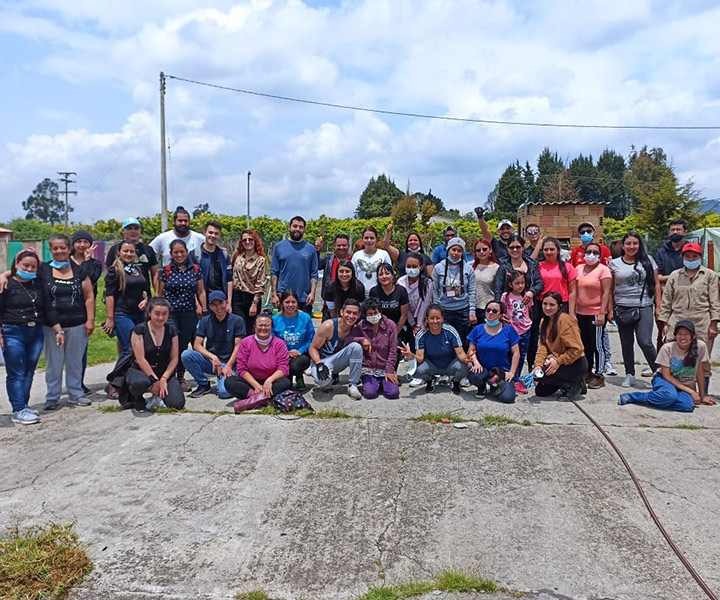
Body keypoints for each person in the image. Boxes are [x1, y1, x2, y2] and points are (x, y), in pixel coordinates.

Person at [40, 234, 95, 410]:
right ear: (51, 250)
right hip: (52, 326)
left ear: (69, 248)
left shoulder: (79, 270)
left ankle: (76, 393)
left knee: (75, 361)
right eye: (55, 248)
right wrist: (4, 275)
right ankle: (52, 396)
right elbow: (19, 270)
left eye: (62, 247)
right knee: (54, 363)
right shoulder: (43, 270)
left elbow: (88, 296)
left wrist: (90, 320)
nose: (59, 251)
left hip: (78, 323)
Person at [657, 242, 719, 394]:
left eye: (695, 256)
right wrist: (664, 323)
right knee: (674, 356)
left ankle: (702, 392)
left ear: (700, 257)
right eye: (688, 256)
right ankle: (674, 390)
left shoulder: (710, 276)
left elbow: (715, 301)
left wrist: (714, 324)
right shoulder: (674, 276)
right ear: (683, 257)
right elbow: (667, 301)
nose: (691, 259)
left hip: (702, 321)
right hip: (677, 321)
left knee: (703, 358)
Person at [620, 321, 716, 412]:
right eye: (679, 334)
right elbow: (667, 376)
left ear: (693, 336)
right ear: (675, 336)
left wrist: (702, 396)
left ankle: (659, 399)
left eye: (686, 334)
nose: (683, 337)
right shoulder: (667, 348)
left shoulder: (701, 346)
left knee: (688, 406)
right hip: (664, 379)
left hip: (685, 384)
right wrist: (691, 392)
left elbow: (700, 372)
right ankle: (635, 397)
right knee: (670, 396)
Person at [0, 249, 46, 425]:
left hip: (35, 331)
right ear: (16, 264)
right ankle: (18, 410)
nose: (29, 269)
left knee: (29, 371)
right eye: (25, 265)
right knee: (16, 372)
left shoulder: (37, 284)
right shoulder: (6, 284)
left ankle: (24, 405)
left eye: (33, 266)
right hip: (13, 331)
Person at [610, 232, 660, 388]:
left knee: (645, 341)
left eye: (635, 243)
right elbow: (610, 288)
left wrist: (658, 305)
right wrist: (609, 309)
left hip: (644, 305)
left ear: (640, 245)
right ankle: (630, 374)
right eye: (628, 244)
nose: (631, 247)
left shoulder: (648, 260)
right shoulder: (614, 263)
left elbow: (657, 284)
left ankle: (659, 373)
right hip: (622, 307)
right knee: (626, 342)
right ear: (623, 246)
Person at [157, 239, 207, 389]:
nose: (179, 255)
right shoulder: (166, 271)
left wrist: (204, 309)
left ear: (186, 252)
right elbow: (159, 294)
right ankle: (169, 376)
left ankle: (180, 377)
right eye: (176, 252)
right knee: (173, 344)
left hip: (189, 313)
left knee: (183, 345)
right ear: (171, 254)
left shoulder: (195, 269)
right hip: (170, 314)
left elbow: (201, 291)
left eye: (182, 252)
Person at [181, 290, 246, 399]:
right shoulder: (205, 321)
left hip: (229, 362)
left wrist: (229, 366)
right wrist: (213, 357)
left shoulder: (237, 320)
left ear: (226, 302)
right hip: (212, 362)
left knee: (224, 393)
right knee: (186, 355)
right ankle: (203, 384)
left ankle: (232, 378)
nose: (218, 307)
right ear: (210, 306)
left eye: (220, 303)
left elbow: (238, 346)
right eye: (214, 305)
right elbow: (197, 345)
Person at [124, 297, 185, 411]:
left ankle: (159, 396)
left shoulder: (172, 330)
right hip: (141, 371)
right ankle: (136, 398)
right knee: (140, 383)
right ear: (150, 313)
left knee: (177, 403)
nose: (161, 317)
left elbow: (174, 359)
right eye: (157, 313)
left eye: (164, 314)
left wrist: (164, 378)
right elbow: (140, 358)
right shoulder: (139, 330)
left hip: (164, 371)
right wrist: (154, 380)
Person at [493, 234, 544, 369]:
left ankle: (532, 371)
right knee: (510, 345)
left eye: (518, 247)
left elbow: (539, 283)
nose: (515, 250)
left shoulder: (532, 264)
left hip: (530, 311)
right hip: (510, 313)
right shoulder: (503, 267)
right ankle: (510, 374)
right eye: (511, 247)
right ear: (508, 249)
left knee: (532, 343)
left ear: (523, 248)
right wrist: (499, 311)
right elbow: (498, 289)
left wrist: (531, 291)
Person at [398, 304, 469, 395]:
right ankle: (430, 379)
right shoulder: (421, 334)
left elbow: (461, 354)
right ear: (427, 319)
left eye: (438, 318)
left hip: (450, 365)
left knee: (466, 365)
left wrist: (467, 359)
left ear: (442, 319)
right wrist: (410, 355)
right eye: (432, 318)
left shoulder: (450, 331)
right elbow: (420, 358)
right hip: (432, 366)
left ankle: (455, 381)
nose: (435, 321)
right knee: (416, 370)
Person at [533, 292, 587, 401]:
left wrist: (558, 361)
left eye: (552, 305)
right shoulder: (545, 321)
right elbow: (542, 347)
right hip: (558, 360)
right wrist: (538, 365)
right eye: (545, 304)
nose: (547, 308)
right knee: (540, 391)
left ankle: (572, 386)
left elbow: (577, 348)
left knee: (545, 376)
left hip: (575, 363)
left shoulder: (566, 321)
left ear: (559, 306)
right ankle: (572, 381)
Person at [225, 312, 292, 401]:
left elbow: (284, 368)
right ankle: (261, 398)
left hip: (271, 381)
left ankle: (255, 399)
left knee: (286, 383)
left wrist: (269, 380)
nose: (263, 328)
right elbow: (241, 369)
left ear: (272, 328)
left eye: (266, 326)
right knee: (229, 382)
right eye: (260, 325)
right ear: (255, 327)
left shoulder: (280, 344)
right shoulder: (245, 342)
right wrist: (256, 385)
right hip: (251, 382)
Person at [103, 241, 149, 367]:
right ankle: (115, 380)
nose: (128, 254)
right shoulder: (115, 270)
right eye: (125, 251)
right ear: (119, 252)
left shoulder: (138, 269)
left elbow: (144, 290)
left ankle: (132, 378)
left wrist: (146, 300)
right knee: (130, 348)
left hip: (139, 314)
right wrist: (110, 318)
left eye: (131, 251)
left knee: (141, 348)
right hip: (122, 314)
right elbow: (109, 295)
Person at [574, 242, 612, 389]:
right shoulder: (579, 268)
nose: (591, 255)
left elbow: (606, 293)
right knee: (585, 345)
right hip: (580, 313)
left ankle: (599, 374)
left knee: (597, 345)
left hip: (595, 313)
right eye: (588, 251)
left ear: (600, 255)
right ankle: (587, 372)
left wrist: (603, 312)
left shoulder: (603, 270)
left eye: (595, 252)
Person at [308, 298, 363, 399]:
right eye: (348, 312)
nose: (351, 316)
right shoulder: (329, 326)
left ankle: (353, 384)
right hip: (323, 360)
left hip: (338, 360)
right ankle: (326, 380)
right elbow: (313, 348)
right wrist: (318, 363)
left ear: (359, 315)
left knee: (356, 347)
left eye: (355, 314)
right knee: (322, 381)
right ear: (342, 312)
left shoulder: (356, 329)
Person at [347, 297, 399, 399]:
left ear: (380, 311)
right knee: (370, 394)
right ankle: (374, 383)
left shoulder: (390, 325)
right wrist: (361, 340)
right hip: (368, 369)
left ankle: (382, 383)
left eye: (375, 313)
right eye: (370, 314)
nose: (373, 316)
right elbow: (349, 339)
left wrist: (389, 371)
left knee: (393, 393)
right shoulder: (361, 325)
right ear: (365, 315)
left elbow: (393, 350)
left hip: (384, 368)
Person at [467, 300, 519, 403]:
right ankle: (482, 387)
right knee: (474, 376)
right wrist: (476, 363)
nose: (491, 313)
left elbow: (516, 353)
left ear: (501, 314)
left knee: (508, 398)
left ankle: (495, 385)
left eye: (495, 311)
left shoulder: (509, 330)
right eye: (488, 310)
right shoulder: (478, 329)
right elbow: (471, 350)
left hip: (501, 371)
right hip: (483, 369)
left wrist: (512, 373)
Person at [70, 228, 102, 393]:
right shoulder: (64, 262)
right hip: (63, 310)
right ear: (73, 244)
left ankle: (78, 383)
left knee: (81, 350)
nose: (82, 245)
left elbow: (90, 279)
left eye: (86, 242)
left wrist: (87, 261)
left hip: (84, 311)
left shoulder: (95, 264)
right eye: (79, 241)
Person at [431, 237, 477, 343]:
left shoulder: (468, 269)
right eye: (453, 250)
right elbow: (435, 290)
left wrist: (472, 312)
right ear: (448, 250)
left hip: (463, 311)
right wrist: (436, 309)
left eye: (459, 250)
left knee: (462, 341)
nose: (456, 253)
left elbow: (472, 291)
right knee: (445, 341)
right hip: (445, 310)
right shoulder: (438, 268)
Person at [271, 215, 318, 314]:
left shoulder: (310, 249)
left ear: (304, 230)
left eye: (301, 227)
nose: (297, 229)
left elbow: (314, 273)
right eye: (295, 226)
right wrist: (274, 294)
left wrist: (313, 293)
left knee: (303, 328)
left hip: (304, 298)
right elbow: (274, 272)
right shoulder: (279, 247)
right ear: (289, 227)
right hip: (284, 298)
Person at [655, 218, 689, 351]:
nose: (675, 232)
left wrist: (666, 278)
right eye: (672, 230)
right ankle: (661, 365)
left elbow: (692, 274)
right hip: (664, 298)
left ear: (685, 232)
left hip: (685, 299)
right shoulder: (662, 252)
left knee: (685, 333)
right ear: (669, 233)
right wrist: (677, 275)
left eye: (678, 229)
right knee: (662, 333)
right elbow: (657, 276)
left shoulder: (689, 251)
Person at [272, 289, 315, 390]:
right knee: (286, 385)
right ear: (282, 303)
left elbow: (312, 339)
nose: (290, 305)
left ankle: (299, 376)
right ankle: (288, 378)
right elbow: (271, 341)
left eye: (293, 302)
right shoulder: (275, 319)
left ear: (297, 303)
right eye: (287, 302)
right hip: (281, 355)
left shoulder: (305, 317)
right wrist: (286, 352)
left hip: (301, 354)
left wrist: (300, 351)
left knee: (295, 365)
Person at [105, 218, 159, 296]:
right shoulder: (115, 250)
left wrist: (157, 294)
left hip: (144, 296)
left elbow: (154, 274)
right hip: (121, 296)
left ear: (140, 230)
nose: (133, 231)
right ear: (123, 231)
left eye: (136, 228)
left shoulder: (148, 249)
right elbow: (109, 274)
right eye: (129, 229)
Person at [229, 229, 267, 334]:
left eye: (250, 240)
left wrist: (254, 303)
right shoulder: (237, 256)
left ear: (255, 241)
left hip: (252, 297)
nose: (247, 242)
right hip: (237, 297)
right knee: (239, 329)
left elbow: (260, 283)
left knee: (251, 330)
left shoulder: (261, 260)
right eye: (244, 240)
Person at [500, 271, 532, 394]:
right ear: (510, 284)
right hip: (510, 331)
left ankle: (517, 379)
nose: (520, 286)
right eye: (517, 283)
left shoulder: (527, 297)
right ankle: (509, 377)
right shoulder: (505, 296)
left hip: (524, 330)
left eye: (522, 283)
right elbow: (503, 311)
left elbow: (528, 310)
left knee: (521, 355)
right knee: (510, 355)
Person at [397, 252, 433, 357]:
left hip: (423, 319)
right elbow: (404, 306)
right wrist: (412, 324)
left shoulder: (427, 283)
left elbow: (424, 305)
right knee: (411, 342)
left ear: (421, 267)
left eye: (414, 266)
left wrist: (419, 325)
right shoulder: (401, 282)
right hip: (407, 318)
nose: (411, 269)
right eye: (408, 266)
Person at [537, 237, 578, 318]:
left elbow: (572, 291)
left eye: (552, 249)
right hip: (542, 305)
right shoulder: (537, 266)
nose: (549, 252)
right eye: (546, 249)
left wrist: (571, 312)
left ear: (558, 251)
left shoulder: (568, 267)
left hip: (562, 306)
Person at [369, 264, 409, 347]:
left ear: (393, 275)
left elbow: (404, 315)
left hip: (398, 329)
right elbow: (372, 314)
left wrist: (393, 335)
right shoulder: (374, 291)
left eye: (387, 273)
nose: (384, 276)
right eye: (380, 274)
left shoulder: (401, 290)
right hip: (378, 329)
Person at [315, 233, 351, 320]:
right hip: (329, 302)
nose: (341, 247)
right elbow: (317, 265)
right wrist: (317, 250)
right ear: (334, 246)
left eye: (344, 245)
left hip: (348, 304)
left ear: (348, 246)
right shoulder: (328, 259)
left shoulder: (353, 259)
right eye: (339, 245)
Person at [197, 220, 232, 307]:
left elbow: (229, 279)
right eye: (210, 232)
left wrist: (229, 302)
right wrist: (197, 303)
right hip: (202, 301)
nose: (213, 236)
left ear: (219, 235)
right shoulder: (195, 254)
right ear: (204, 232)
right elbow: (191, 282)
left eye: (216, 233)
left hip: (221, 299)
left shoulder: (224, 255)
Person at [352, 226, 391, 297]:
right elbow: (353, 277)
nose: (369, 240)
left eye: (372, 238)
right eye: (366, 238)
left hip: (379, 296)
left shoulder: (384, 254)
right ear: (362, 239)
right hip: (360, 296)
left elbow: (389, 275)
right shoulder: (356, 256)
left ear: (376, 239)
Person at [472, 238, 499, 324]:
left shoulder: (496, 268)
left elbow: (499, 290)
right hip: (474, 309)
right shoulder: (471, 267)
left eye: (484, 249)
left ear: (490, 250)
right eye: (478, 250)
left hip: (489, 309)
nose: (481, 252)